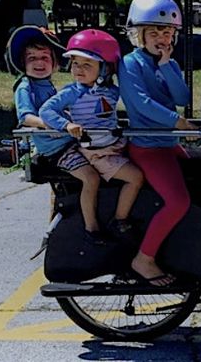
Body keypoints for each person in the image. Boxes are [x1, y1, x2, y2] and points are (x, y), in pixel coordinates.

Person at [39, 29, 146, 249]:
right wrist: (66, 124)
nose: (78, 69)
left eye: (87, 64)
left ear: (104, 68)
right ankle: (113, 221)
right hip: (97, 151)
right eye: (75, 64)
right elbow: (46, 111)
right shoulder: (72, 93)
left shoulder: (111, 92)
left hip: (113, 145)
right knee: (135, 178)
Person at [118, 0, 196, 287]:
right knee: (177, 201)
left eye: (168, 32)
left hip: (167, 143)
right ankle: (144, 258)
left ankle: (180, 247)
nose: (162, 38)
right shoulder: (129, 64)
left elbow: (182, 97)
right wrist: (175, 121)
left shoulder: (169, 64)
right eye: (154, 32)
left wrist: (166, 65)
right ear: (139, 35)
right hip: (148, 146)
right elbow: (140, 103)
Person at [6, 25, 65, 155]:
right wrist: (48, 124)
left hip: (57, 136)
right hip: (38, 141)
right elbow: (25, 117)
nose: (39, 63)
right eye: (32, 58)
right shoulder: (25, 87)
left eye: (45, 57)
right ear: (23, 63)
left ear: (54, 62)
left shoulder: (48, 85)